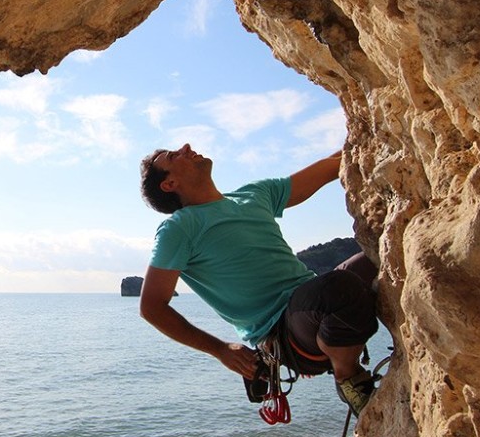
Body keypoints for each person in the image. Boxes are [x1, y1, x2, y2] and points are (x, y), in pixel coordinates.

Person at [138, 143, 379, 417]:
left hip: (313, 305)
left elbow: (329, 166)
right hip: (283, 332)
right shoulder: (178, 229)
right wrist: (220, 349)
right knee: (339, 287)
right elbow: (151, 307)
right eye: (173, 156)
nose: (186, 147)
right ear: (169, 184)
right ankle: (348, 377)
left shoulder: (254, 194)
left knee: (383, 253)